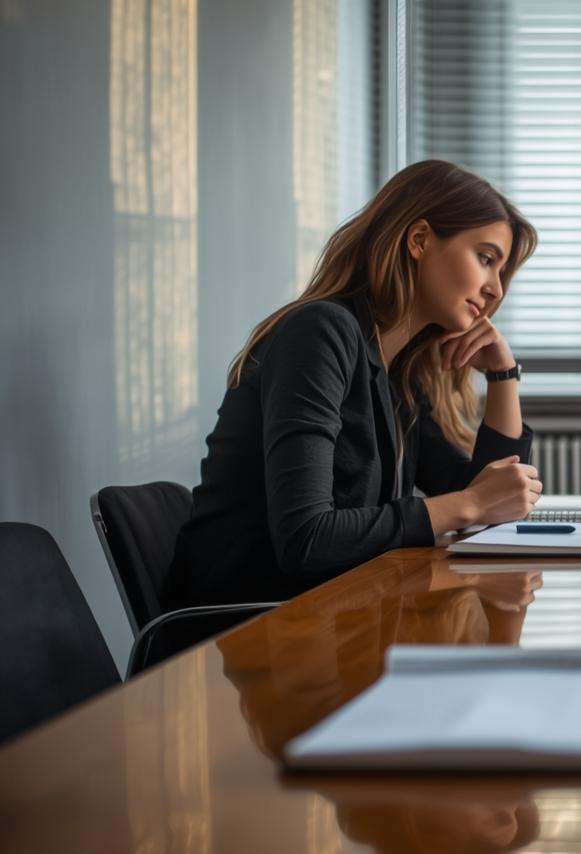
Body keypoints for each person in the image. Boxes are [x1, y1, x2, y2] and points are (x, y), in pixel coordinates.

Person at [167, 160, 544, 606]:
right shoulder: (320, 333)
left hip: (332, 616)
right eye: (486, 259)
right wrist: (473, 503)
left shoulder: (397, 371)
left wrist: (503, 377)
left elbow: (489, 504)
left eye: (501, 272)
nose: (496, 289)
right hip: (245, 637)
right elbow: (307, 539)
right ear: (419, 240)